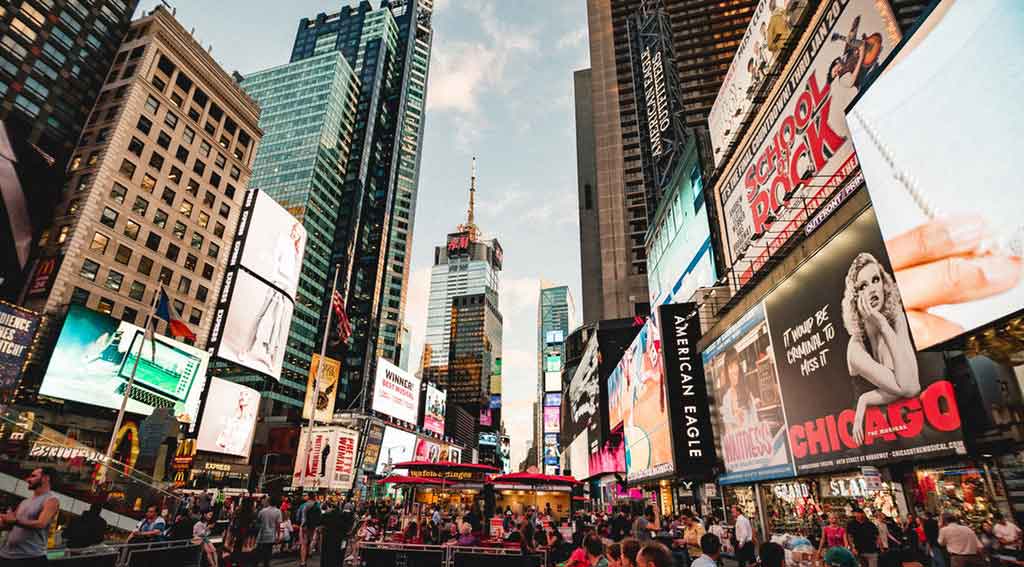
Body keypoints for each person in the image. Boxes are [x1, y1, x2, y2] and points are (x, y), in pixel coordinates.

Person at [842, 252, 920, 446]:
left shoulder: (897, 319)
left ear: (883, 285)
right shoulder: (855, 348)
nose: (872, 290)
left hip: (911, 429)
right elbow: (907, 388)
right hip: (872, 439)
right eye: (863, 286)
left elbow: (913, 385)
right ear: (855, 297)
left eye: (875, 280)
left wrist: (865, 399)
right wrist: (864, 401)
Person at [0, 468, 60, 566]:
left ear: (45, 478)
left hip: (30, 558)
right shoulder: (24, 502)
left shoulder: (52, 500)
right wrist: (5, 521)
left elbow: (41, 523)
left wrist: (14, 521)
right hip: (6, 555)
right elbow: (10, 524)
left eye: (33, 476)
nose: (28, 479)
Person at [256, 496, 282, 567]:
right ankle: (266, 564)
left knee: (261, 550)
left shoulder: (262, 511)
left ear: (269, 502)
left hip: (262, 534)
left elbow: (258, 522)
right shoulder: (278, 511)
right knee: (268, 551)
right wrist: (278, 536)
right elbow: (278, 525)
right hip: (271, 534)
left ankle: (258, 562)